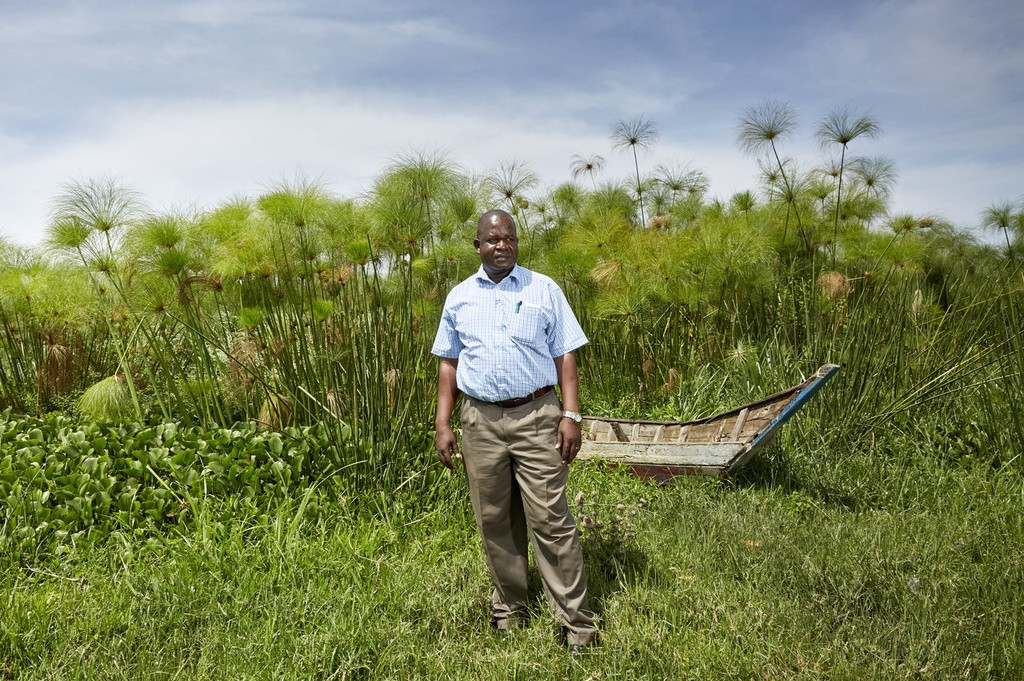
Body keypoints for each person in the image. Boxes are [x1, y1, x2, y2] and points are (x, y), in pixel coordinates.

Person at [431, 209, 598, 652]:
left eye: (509, 238)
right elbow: (448, 363)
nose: (501, 246)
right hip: (480, 421)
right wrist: (443, 422)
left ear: (517, 242)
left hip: (537, 415)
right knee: (494, 520)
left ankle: (576, 623)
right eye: (492, 239)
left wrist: (571, 415)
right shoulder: (460, 297)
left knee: (551, 518)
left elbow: (565, 356)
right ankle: (510, 607)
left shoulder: (543, 288)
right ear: (477, 246)